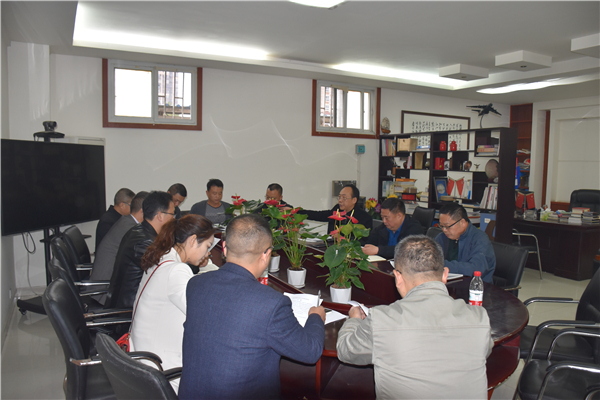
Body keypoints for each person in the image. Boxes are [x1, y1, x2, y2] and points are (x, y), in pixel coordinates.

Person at [179, 214, 325, 400]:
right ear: (266, 255)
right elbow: (310, 352)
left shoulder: (195, 284)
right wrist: (315, 317)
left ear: (224, 248)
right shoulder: (271, 303)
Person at [337, 235, 493, 399]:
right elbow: (484, 349)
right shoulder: (479, 318)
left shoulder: (382, 320)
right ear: (445, 274)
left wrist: (354, 320)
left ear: (398, 277)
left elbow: (346, 350)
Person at [130, 214, 215, 393]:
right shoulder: (177, 270)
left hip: (141, 355)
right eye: (208, 246)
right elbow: (202, 315)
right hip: (160, 369)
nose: (208, 253)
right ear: (192, 240)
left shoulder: (162, 257)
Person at [109, 191, 175, 311]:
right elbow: (167, 271)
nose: (174, 219)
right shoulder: (144, 242)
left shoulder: (139, 230)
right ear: (160, 216)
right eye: (172, 214)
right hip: (129, 310)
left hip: (134, 301)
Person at [90, 191, 148, 304]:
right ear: (143, 211)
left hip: (108, 283)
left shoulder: (126, 221)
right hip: (105, 291)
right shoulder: (131, 228)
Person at [435, 202, 496, 283]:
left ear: (462, 222)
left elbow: (475, 269)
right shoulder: (442, 237)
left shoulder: (480, 239)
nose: (444, 230)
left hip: (475, 287)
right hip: (449, 284)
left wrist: (441, 265)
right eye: (441, 226)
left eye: (447, 226)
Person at [303, 184, 373, 235]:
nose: (340, 200)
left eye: (344, 198)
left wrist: (342, 238)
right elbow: (319, 215)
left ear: (354, 200)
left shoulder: (365, 218)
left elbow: (363, 241)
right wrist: (299, 212)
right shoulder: (337, 209)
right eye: (339, 197)